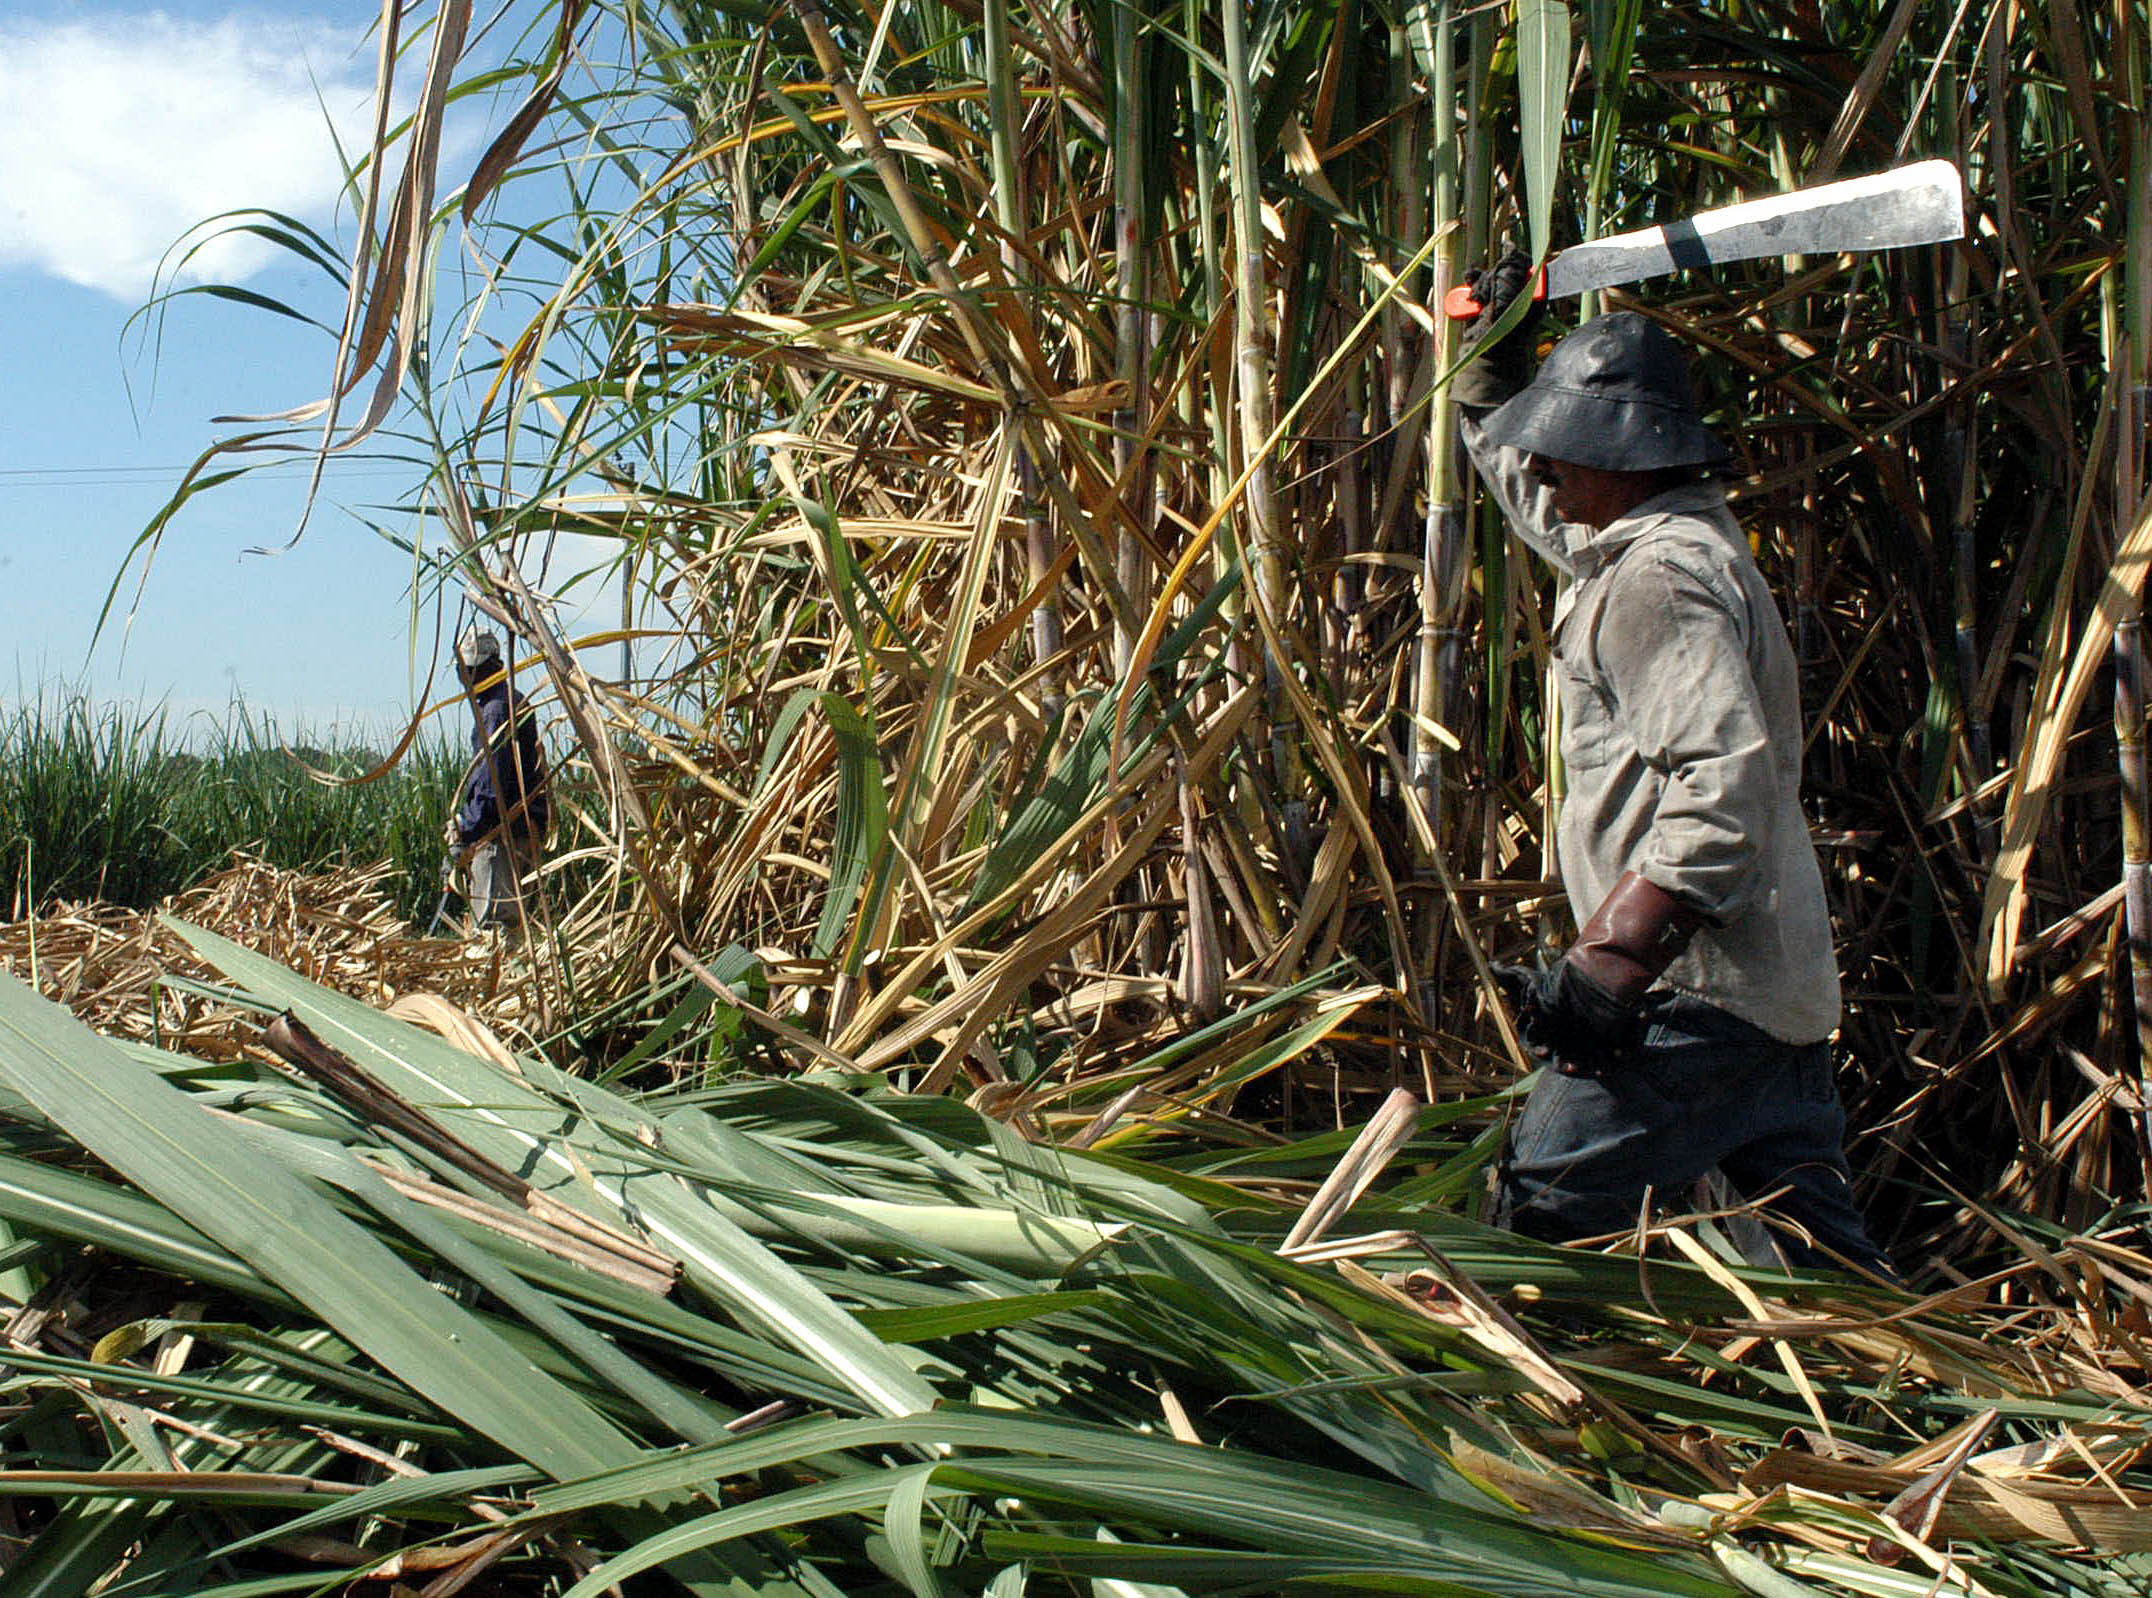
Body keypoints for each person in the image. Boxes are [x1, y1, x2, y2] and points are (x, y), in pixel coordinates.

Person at [1452, 257, 1890, 1277]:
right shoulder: (1657, 539)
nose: (1548, 467)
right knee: (1825, 1270)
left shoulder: (1656, 581)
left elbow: (1720, 783)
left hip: (1694, 998)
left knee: (1535, 1215)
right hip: (1771, 994)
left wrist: (1613, 956)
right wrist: (1490, 359)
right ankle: (1933, 1408)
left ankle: (1519, 1418)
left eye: (1568, 445)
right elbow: (1531, 491)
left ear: (1627, 455)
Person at [447, 627, 550, 933]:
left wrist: (468, 828)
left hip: (501, 837)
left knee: (495, 929)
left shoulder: (496, 709)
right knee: (513, 928)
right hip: (520, 830)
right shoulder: (510, 701)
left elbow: (492, 785)